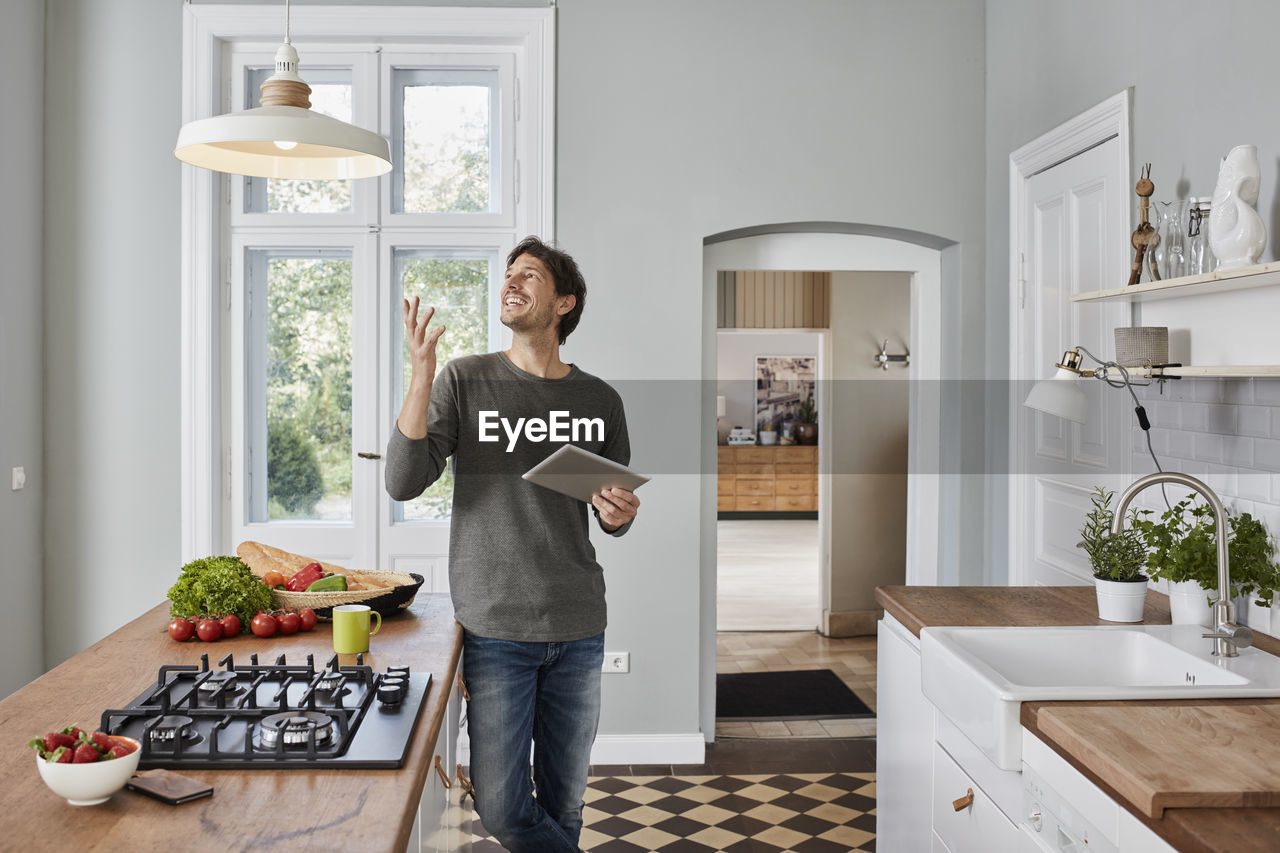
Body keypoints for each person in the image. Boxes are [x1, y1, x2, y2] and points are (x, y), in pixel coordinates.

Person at [384, 236, 640, 852]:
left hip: (578, 624)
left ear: (563, 304)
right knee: (502, 808)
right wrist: (420, 377)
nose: (511, 283)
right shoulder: (464, 380)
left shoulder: (599, 399)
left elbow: (614, 513)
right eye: (507, 276)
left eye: (528, 276)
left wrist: (618, 513)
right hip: (496, 628)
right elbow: (403, 482)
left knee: (564, 805)